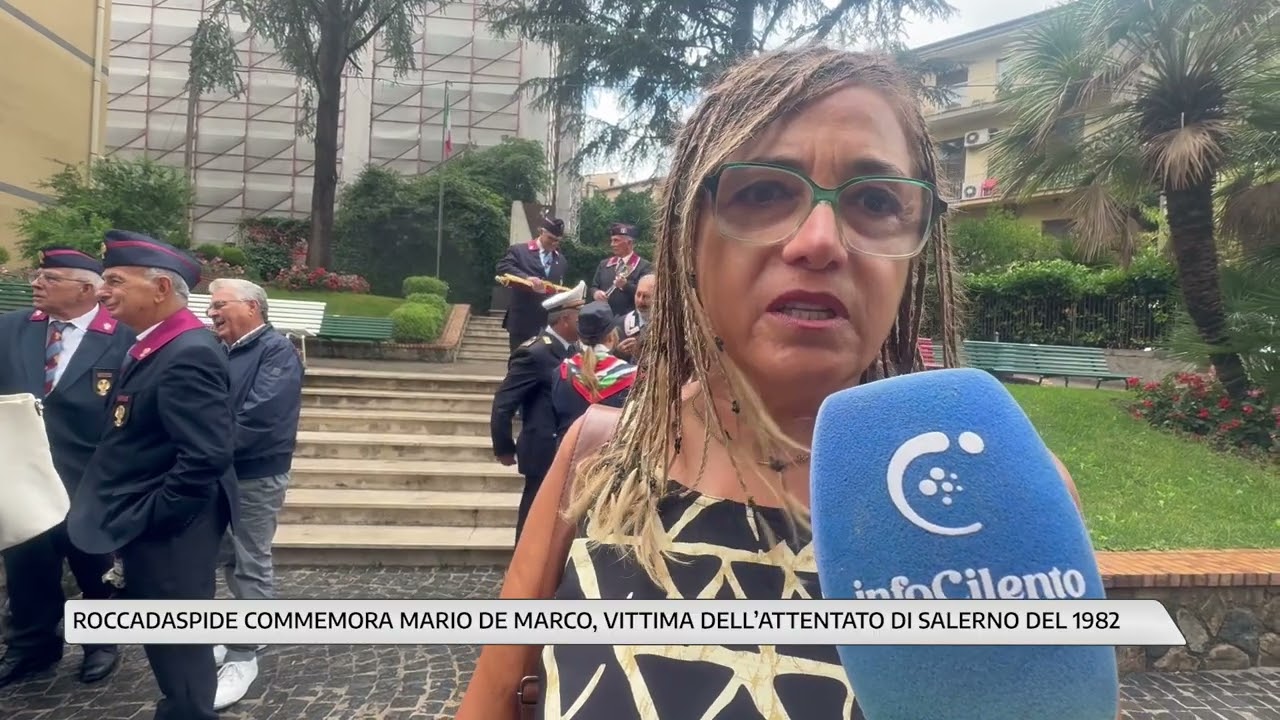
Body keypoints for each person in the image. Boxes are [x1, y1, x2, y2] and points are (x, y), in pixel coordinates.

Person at [458, 47, 1097, 720]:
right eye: (763, 192)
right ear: (688, 236)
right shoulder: (597, 463)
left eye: (876, 200)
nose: (819, 241)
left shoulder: (1009, 498)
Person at [68, 230, 239, 720]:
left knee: (178, 646)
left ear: (161, 287)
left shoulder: (187, 351)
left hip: (170, 532)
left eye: (115, 281)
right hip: (153, 520)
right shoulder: (154, 345)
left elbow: (205, 457)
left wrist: (150, 520)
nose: (103, 291)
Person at [0, 247, 134, 688]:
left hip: (89, 479)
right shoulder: (11, 328)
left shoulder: (123, 338)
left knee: (95, 567)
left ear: (86, 289)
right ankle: (31, 646)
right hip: (22, 479)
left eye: (50, 278)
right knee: (26, 567)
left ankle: (100, 644)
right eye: (39, 276)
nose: (37, 283)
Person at [204, 278, 305, 710]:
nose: (211, 312)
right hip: (217, 469)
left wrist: (203, 447)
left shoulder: (276, 351)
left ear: (251, 307)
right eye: (210, 306)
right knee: (229, 555)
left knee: (249, 560)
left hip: (254, 474)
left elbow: (260, 418)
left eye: (219, 304)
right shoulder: (220, 349)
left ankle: (243, 656)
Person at [489, 281, 584, 541]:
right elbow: (504, 403)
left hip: (568, 448)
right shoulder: (535, 353)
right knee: (533, 520)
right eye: (579, 317)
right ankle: (522, 565)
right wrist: (504, 447)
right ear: (565, 319)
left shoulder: (574, 350)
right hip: (542, 449)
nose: (583, 322)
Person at [550, 301, 637, 441]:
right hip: (610, 454)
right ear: (611, 336)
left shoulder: (561, 373)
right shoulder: (632, 377)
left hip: (569, 451)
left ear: (580, 336)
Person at [496, 217, 569, 352]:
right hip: (522, 321)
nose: (554, 243)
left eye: (557, 241)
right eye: (550, 238)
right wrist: (527, 278)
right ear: (541, 232)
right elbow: (503, 267)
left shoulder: (561, 260)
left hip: (548, 324)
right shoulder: (520, 250)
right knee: (520, 360)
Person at [589, 222, 651, 318]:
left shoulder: (643, 266)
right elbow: (594, 287)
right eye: (611, 241)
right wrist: (595, 293)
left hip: (629, 320)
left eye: (616, 240)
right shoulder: (604, 264)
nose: (612, 244)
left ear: (629, 243)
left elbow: (647, 295)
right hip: (603, 319)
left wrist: (625, 286)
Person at [614, 273, 654, 363]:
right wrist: (618, 353)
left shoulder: (670, 326)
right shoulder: (620, 325)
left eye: (646, 296)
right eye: (638, 295)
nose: (640, 300)